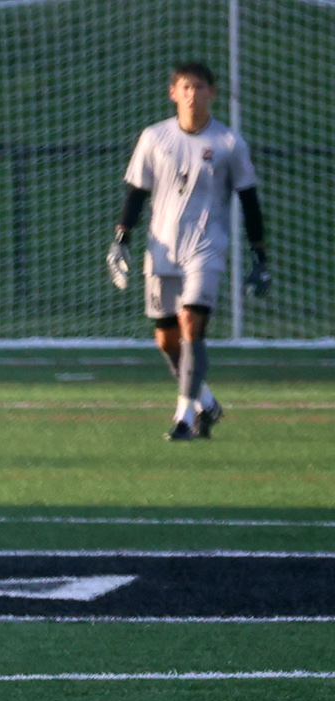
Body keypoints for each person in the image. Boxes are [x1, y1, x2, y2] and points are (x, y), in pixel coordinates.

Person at [105, 61, 268, 442]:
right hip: (162, 247)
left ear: (212, 93)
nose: (193, 94)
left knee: (191, 325)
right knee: (167, 339)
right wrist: (121, 239)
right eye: (186, 87)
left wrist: (260, 255)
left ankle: (183, 419)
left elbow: (250, 200)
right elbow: (136, 193)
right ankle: (207, 403)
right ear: (173, 93)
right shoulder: (154, 137)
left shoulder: (229, 143)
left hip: (206, 248)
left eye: (200, 87)